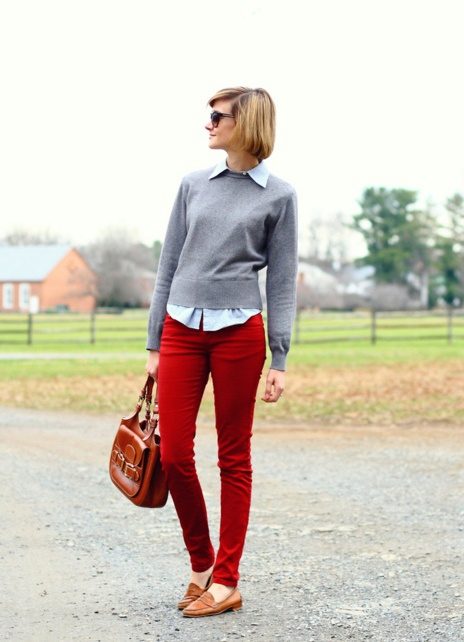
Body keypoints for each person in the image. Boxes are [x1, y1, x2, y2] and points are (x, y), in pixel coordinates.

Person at [145, 86, 298, 618]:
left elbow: (281, 281)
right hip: (181, 330)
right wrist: (154, 342)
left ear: (246, 124)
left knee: (234, 457)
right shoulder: (192, 185)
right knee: (173, 453)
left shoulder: (279, 196)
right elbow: (168, 265)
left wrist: (279, 357)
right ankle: (201, 564)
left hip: (239, 335)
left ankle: (227, 580)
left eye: (218, 116)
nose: (208, 124)